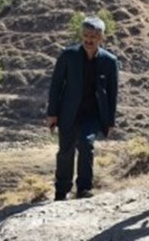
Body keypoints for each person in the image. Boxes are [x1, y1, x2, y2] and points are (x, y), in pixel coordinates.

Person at [46, 15, 119, 201]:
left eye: (93, 36)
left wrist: (110, 121)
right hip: (68, 112)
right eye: (86, 35)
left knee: (86, 145)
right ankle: (61, 191)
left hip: (93, 114)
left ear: (101, 38)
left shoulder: (110, 61)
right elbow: (56, 85)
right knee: (65, 151)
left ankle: (84, 189)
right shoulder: (68, 56)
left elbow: (112, 92)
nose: (89, 40)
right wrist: (52, 113)